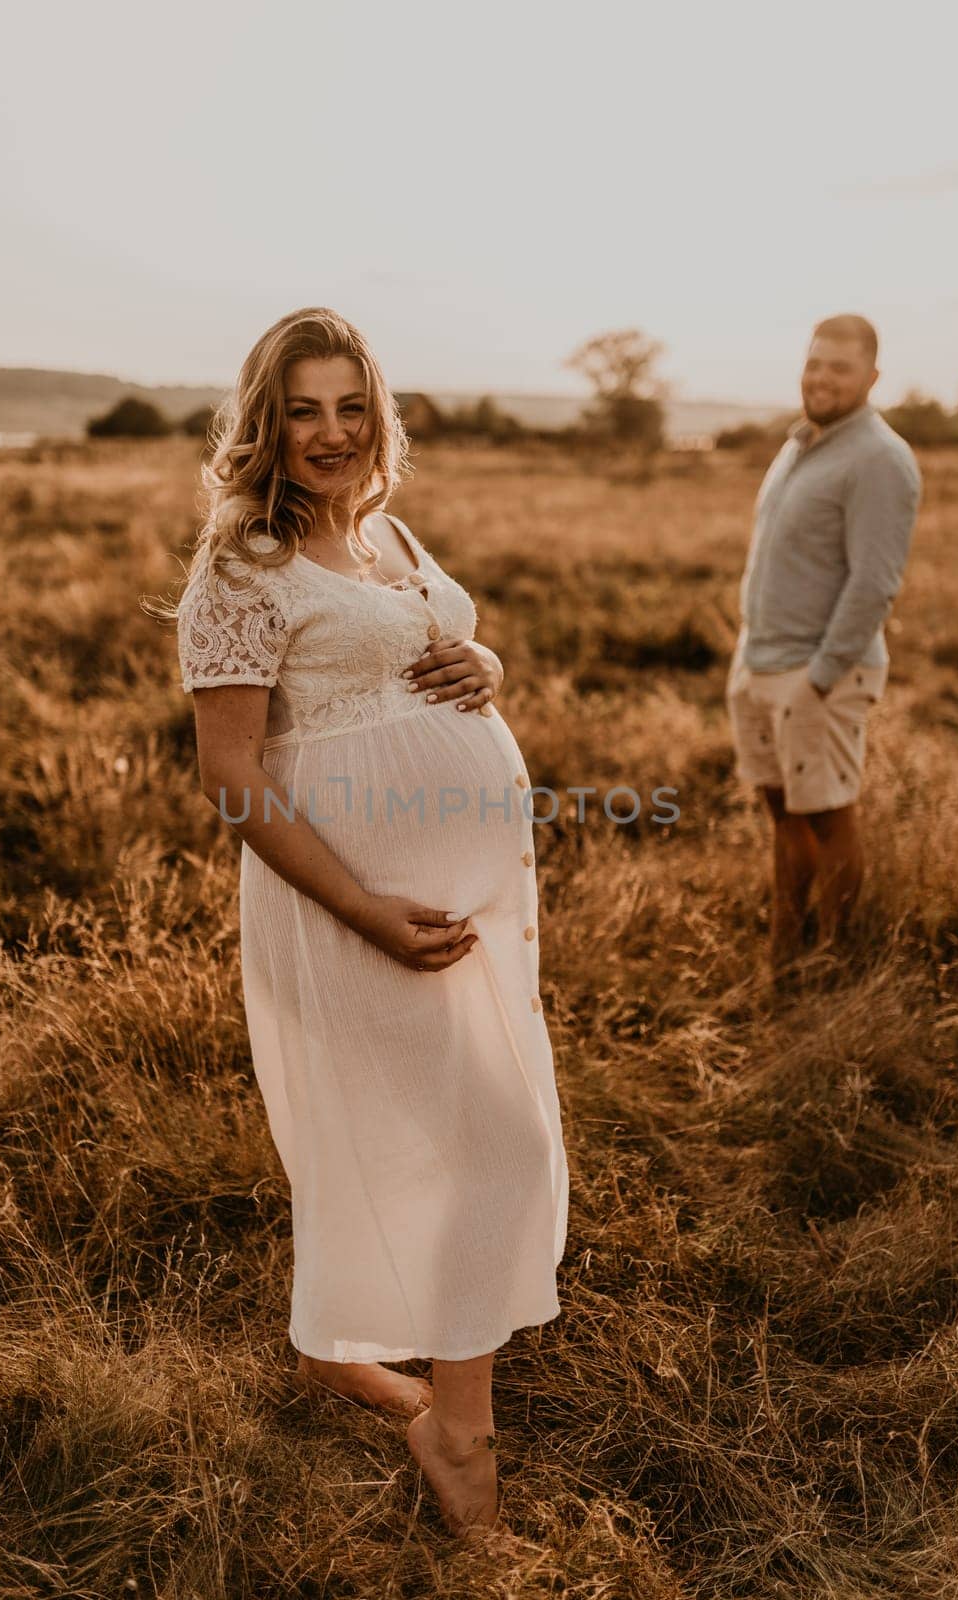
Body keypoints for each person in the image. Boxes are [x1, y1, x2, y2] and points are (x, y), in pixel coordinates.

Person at [172, 307, 569, 1540]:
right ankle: (456, 1429)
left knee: (454, 1139)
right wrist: (366, 911)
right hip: (356, 907)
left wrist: (485, 663)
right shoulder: (241, 565)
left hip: (467, 905)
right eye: (304, 410)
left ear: (378, 415)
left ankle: (349, 1349)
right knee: (490, 1146)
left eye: (352, 406)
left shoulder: (382, 528)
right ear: (265, 425)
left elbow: (421, 645)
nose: (332, 433)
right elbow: (233, 775)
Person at [726, 314, 922, 972]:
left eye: (839, 367)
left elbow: (874, 584)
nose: (822, 377)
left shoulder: (880, 458)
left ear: (871, 377)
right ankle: (785, 950)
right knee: (786, 817)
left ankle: (834, 964)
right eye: (815, 363)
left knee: (831, 818)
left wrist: (820, 677)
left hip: (819, 674)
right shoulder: (800, 442)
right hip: (761, 662)